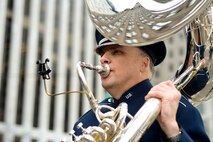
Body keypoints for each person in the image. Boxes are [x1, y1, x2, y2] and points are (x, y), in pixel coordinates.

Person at [72, 30, 210, 142]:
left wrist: (173, 131)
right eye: (102, 53)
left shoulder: (178, 108)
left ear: (143, 64)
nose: (103, 59)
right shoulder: (87, 121)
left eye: (116, 51)